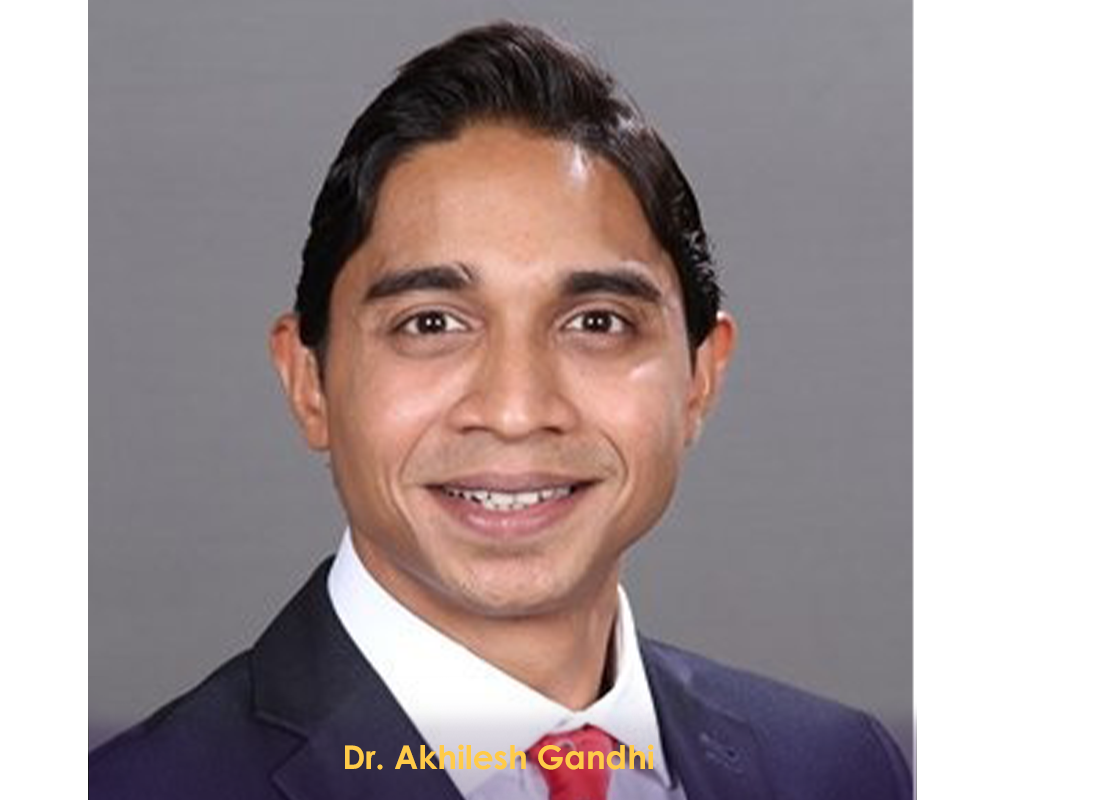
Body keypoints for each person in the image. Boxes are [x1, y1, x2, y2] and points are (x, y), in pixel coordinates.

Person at [90, 21, 914, 800]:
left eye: (598, 323)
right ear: (309, 381)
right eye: (431, 324)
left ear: (701, 375)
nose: (517, 410)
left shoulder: (843, 772)